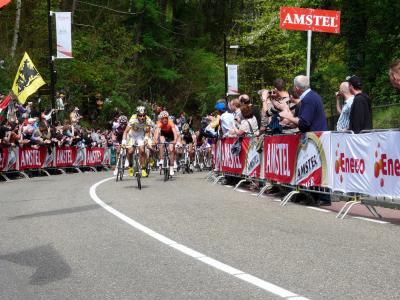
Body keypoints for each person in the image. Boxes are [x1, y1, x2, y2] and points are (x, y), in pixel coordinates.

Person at [123, 106, 153, 177]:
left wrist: (146, 139)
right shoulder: (133, 119)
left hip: (140, 135)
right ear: (137, 115)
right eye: (140, 115)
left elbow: (147, 131)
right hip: (132, 135)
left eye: (143, 115)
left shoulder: (148, 120)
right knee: (130, 151)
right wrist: (124, 140)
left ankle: (143, 169)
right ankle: (130, 166)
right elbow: (126, 131)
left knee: (142, 151)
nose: (142, 117)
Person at [153, 110, 178, 176]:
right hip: (163, 134)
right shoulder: (159, 123)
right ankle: (161, 159)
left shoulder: (171, 123)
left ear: (168, 118)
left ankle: (172, 167)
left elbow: (175, 132)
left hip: (171, 135)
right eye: (163, 118)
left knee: (171, 149)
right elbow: (157, 132)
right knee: (161, 143)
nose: (165, 120)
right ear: (161, 119)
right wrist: (155, 140)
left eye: (166, 118)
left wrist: (175, 140)